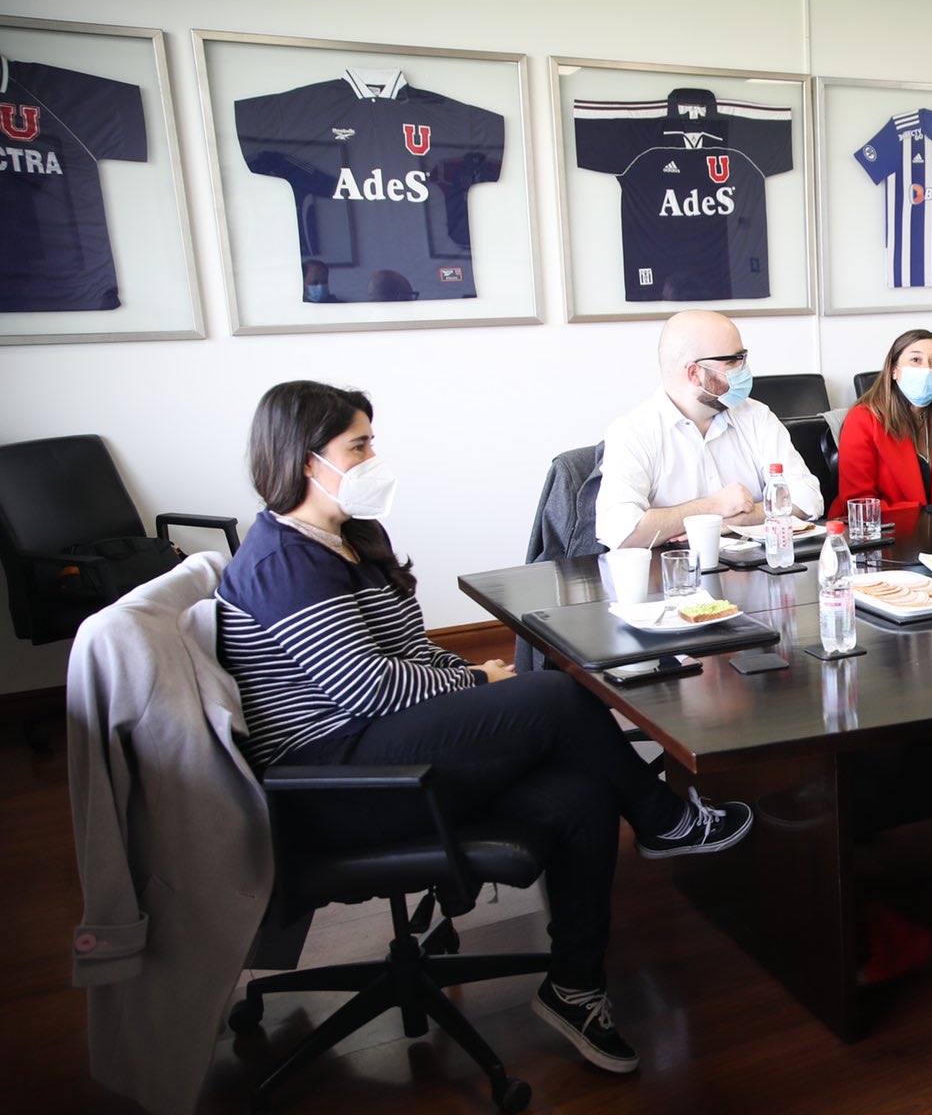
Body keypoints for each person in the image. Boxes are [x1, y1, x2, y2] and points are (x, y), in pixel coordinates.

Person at [217, 381, 753, 1076]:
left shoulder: (349, 537)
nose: (374, 458)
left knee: (581, 794)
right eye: (358, 446)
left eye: (372, 442)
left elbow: (407, 652)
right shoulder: (283, 562)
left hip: (379, 751)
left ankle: (574, 987)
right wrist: (478, 684)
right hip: (337, 782)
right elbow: (366, 688)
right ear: (304, 460)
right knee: (555, 694)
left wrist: (471, 674)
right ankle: (664, 818)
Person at [594, 309, 825, 550]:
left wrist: (740, 519)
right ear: (695, 373)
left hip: (756, 567)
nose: (743, 368)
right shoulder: (633, 432)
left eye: (743, 358)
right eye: (732, 360)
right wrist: (712, 507)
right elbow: (620, 530)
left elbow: (808, 497)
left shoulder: (756, 416)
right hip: (673, 570)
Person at [832, 328, 932, 521]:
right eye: (916, 360)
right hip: (883, 529)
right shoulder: (863, 419)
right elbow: (859, 503)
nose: (926, 370)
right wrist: (925, 517)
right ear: (894, 370)